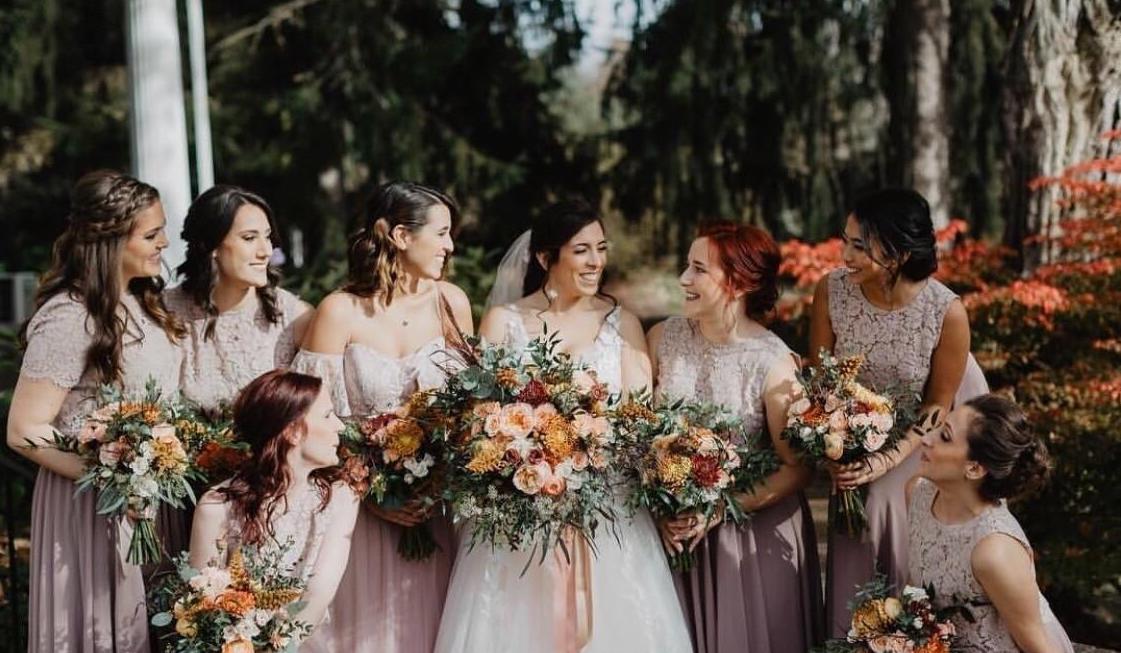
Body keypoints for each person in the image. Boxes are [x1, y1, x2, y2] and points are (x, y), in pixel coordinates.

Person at [436, 198, 692, 653]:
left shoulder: (622, 324)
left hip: (608, 510)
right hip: (522, 508)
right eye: (581, 250)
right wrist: (524, 454)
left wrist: (587, 455)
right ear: (544, 257)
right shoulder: (504, 321)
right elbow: (478, 418)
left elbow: (638, 420)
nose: (596, 261)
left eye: (601, 248)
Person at [291, 181, 473, 652]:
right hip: (359, 514)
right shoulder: (340, 311)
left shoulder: (452, 303)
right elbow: (309, 420)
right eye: (442, 233)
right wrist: (373, 494)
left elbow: (472, 408)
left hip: (437, 513)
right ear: (400, 236)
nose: (450, 246)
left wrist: (438, 481)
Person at [6, 170, 184, 652]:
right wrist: (115, 475)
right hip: (93, 508)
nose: (165, 243)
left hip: (153, 505)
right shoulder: (71, 316)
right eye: (152, 234)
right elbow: (23, 429)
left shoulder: (146, 304)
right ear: (111, 240)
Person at [649, 221, 824, 652]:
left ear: (739, 283)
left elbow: (799, 468)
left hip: (750, 539)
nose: (683, 279)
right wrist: (657, 507)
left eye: (698, 269)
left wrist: (719, 510)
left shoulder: (772, 362)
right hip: (672, 534)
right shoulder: (663, 338)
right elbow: (637, 433)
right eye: (686, 266)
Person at [809, 189, 973, 635]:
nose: (845, 255)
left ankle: (903, 632)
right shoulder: (830, 291)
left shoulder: (946, 312)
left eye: (859, 246)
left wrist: (886, 459)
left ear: (899, 254)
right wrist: (832, 448)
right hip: (848, 435)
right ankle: (847, 633)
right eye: (845, 241)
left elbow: (938, 406)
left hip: (917, 443)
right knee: (853, 489)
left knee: (881, 496)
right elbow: (821, 382)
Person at [190, 369, 359, 652]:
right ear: (293, 431)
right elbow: (203, 608)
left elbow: (318, 596)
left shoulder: (341, 498)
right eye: (328, 415)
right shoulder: (216, 508)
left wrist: (278, 647)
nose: (340, 426)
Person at [907, 394, 1073, 652]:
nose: (927, 438)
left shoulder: (994, 551)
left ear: (974, 468)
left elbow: (1040, 647)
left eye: (945, 436)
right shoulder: (917, 492)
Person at [166, 184, 313, 414]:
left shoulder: (296, 318)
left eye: (267, 237)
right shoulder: (165, 312)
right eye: (249, 238)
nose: (266, 251)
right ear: (212, 245)